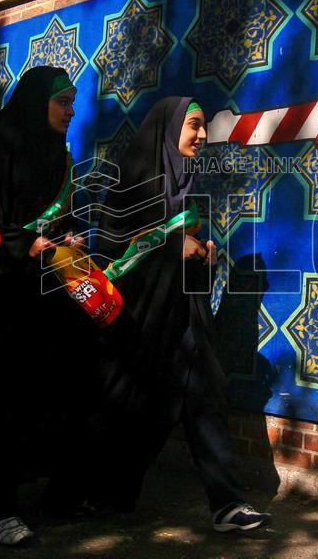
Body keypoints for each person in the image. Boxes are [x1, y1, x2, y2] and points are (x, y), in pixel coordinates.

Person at [95, 96, 270, 532]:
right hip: (140, 319)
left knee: (201, 396)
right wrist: (175, 246)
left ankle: (227, 504)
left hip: (180, 317)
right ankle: (108, 493)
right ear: (169, 128)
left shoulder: (185, 180)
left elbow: (176, 244)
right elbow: (112, 245)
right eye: (194, 124)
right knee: (142, 407)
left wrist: (200, 256)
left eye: (204, 125)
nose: (203, 135)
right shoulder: (132, 182)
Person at [0, 66, 99, 545]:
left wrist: (67, 235)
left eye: (73, 103)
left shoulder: (60, 156)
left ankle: (51, 494)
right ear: (39, 103)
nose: (71, 112)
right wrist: (23, 244)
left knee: (48, 394)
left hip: (42, 295)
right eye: (63, 102)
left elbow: (64, 216)